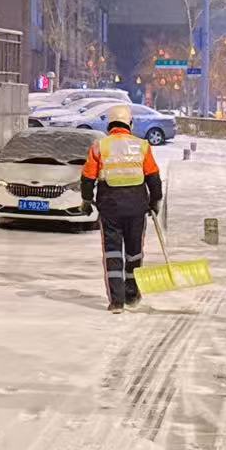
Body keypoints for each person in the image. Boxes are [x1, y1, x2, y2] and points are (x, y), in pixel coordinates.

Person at [81, 104, 163, 311]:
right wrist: (155, 201)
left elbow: (88, 176)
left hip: (110, 207)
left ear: (110, 125)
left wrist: (86, 200)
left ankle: (116, 301)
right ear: (130, 123)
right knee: (134, 252)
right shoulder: (142, 146)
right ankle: (132, 294)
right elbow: (153, 176)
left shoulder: (100, 146)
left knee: (112, 252)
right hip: (136, 207)